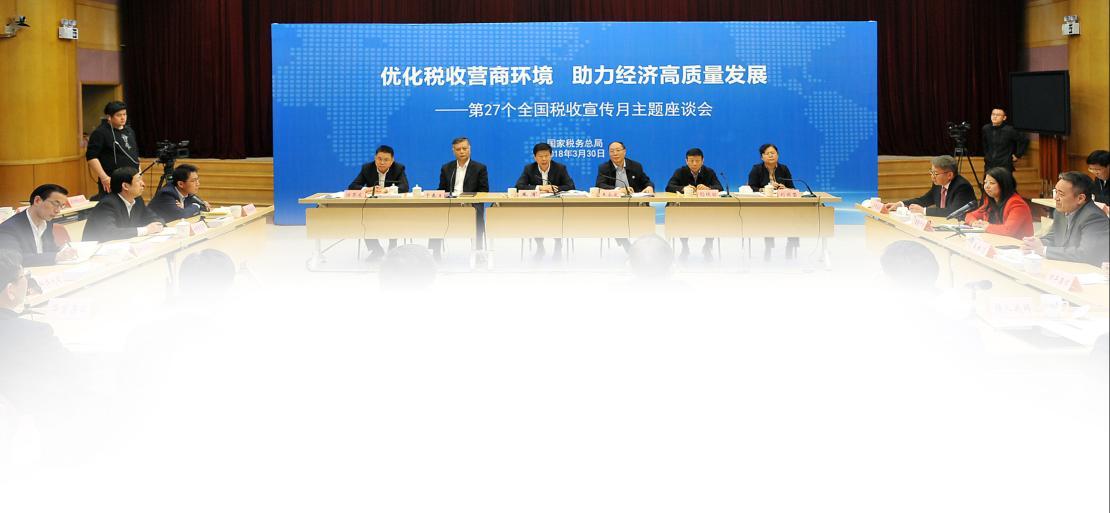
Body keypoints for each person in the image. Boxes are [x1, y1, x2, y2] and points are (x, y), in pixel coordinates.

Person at [1021, 172, 1110, 266]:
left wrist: (1043, 250)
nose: (1055, 198)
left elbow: (1085, 254)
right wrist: (1036, 242)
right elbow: (1054, 237)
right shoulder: (1060, 211)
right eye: (1055, 192)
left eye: (1061, 194)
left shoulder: (1094, 217)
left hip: (1090, 271)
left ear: (1080, 198)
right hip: (1066, 266)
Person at [515, 142, 575, 259]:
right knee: (535, 219)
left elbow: (571, 186)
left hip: (556, 206)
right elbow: (519, 186)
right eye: (540, 156)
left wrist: (554, 189)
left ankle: (558, 246)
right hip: (537, 206)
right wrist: (540, 188)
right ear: (535, 157)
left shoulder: (560, 168)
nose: (544, 159)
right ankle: (540, 247)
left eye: (546, 155)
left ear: (551, 155)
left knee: (557, 218)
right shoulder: (529, 169)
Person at [349, 145, 410, 260]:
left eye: (386, 160)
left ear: (392, 161)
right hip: (372, 207)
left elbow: (405, 187)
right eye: (379, 159)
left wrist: (387, 190)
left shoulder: (398, 168)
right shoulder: (367, 168)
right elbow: (352, 186)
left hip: (392, 206)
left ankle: (393, 246)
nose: (382, 162)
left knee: (394, 218)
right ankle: (376, 250)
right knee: (364, 219)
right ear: (375, 158)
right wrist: (368, 189)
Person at [431, 137, 488, 259]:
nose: (461, 151)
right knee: (435, 215)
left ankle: (478, 252)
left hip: (471, 204)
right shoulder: (446, 168)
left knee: (477, 216)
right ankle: (435, 252)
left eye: (464, 148)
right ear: (453, 151)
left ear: (469, 149)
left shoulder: (480, 168)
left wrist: (469, 199)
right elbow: (442, 189)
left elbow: (484, 191)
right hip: (450, 203)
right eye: (458, 149)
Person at [596, 141, 654, 251]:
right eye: (611, 151)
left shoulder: (635, 166)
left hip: (635, 203)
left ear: (624, 151)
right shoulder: (604, 168)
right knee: (614, 218)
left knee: (646, 214)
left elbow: (646, 181)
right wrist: (619, 190)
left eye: (618, 150)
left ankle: (644, 244)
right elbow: (600, 185)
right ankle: (626, 245)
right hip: (614, 205)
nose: (615, 153)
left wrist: (649, 187)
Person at [666, 148, 723, 259]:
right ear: (686, 161)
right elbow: (669, 186)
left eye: (697, 160)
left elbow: (719, 187)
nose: (694, 163)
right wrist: (683, 188)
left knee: (712, 219)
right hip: (685, 208)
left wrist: (708, 188)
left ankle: (707, 247)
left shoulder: (709, 172)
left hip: (705, 208)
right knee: (681, 220)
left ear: (703, 160)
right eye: (691, 161)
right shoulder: (680, 171)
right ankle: (685, 247)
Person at [0, 184, 77, 266]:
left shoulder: (47, 222)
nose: (58, 211)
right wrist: (56, 256)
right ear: (37, 201)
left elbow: (50, 250)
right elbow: (13, 260)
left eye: (62, 206)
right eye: (55, 204)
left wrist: (63, 251)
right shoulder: (8, 228)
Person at [82, 167, 164, 242]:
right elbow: (109, 233)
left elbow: (155, 218)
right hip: (98, 249)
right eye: (138, 181)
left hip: (123, 246)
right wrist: (146, 230)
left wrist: (157, 225)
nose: (143, 184)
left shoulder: (137, 200)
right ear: (125, 186)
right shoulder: (108, 204)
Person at [747, 143, 799, 259]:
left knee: (795, 216)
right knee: (768, 218)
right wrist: (765, 189)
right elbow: (751, 187)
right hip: (765, 206)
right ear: (762, 157)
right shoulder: (757, 169)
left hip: (784, 205)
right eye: (767, 153)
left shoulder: (784, 169)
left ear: (777, 155)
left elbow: (792, 188)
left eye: (773, 153)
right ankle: (769, 246)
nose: (771, 155)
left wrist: (785, 188)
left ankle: (791, 245)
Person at [883, 155, 978, 218]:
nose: (932, 176)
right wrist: (901, 204)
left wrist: (924, 211)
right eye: (931, 172)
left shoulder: (962, 187)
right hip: (943, 223)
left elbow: (953, 212)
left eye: (935, 173)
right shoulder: (938, 184)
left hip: (961, 225)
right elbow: (924, 200)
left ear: (949, 175)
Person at [86, 100, 140, 198]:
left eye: (124, 114)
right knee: (114, 205)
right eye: (119, 115)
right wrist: (104, 177)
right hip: (112, 180)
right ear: (109, 117)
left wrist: (139, 172)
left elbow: (133, 153)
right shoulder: (100, 133)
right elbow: (91, 157)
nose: (123, 118)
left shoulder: (129, 130)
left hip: (132, 179)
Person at [963, 167, 1033, 238]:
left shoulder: (1017, 204)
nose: (987, 186)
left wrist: (986, 226)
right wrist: (974, 223)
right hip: (998, 241)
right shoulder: (990, 201)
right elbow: (970, 215)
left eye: (992, 183)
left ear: (1004, 185)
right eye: (985, 182)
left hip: (1019, 243)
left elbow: (1008, 231)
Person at [981, 108, 1028, 174]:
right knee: (988, 180)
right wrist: (987, 156)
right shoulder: (986, 128)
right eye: (993, 114)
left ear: (1004, 118)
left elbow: (1024, 140)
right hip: (989, 164)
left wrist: (1018, 155)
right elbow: (985, 144)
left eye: (998, 115)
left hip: (1004, 164)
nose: (995, 116)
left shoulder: (1009, 130)